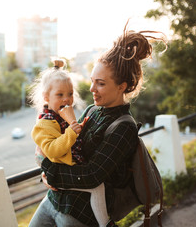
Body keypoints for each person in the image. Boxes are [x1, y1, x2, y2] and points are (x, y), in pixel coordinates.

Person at [28, 23, 167, 227]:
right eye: (92, 81)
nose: (92, 88)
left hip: (81, 214)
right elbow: (62, 147)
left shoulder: (124, 127)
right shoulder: (92, 111)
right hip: (53, 201)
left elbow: (92, 175)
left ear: (122, 87)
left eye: (100, 83)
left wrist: (50, 173)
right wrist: (46, 168)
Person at [29, 59, 114, 227]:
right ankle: (106, 224)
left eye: (70, 94)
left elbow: (72, 141)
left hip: (70, 176)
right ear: (46, 97)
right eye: (60, 95)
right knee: (97, 188)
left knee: (98, 188)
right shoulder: (44, 123)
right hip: (65, 172)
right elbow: (52, 150)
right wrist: (71, 132)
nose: (67, 99)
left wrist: (78, 128)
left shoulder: (62, 117)